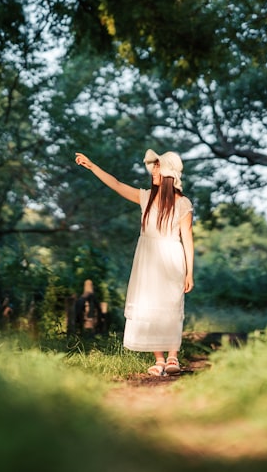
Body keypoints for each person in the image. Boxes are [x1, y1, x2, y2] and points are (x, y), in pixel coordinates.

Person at [74, 149, 195, 376]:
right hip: (147, 258)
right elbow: (117, 184)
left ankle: (172, 357)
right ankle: (158, 359)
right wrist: (92, 166)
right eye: (154, 167)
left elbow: (187, 239)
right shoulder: (145, 197)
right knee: (150, 306)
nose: (154, 171)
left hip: (172, 256)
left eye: (158, 167)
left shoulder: (183, 204)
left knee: (170, 306)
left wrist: (190, 273)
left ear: (169, 172)